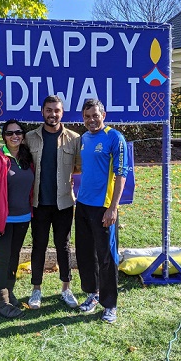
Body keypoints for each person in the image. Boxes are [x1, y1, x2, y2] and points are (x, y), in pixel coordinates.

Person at [75, 99, 128, 324]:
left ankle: (110, 304)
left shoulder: (114, 137)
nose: (91, 120)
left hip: (103, 208)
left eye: (95, 115)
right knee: (86, 254)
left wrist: (113, 208)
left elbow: (122, 173)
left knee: (106, 256)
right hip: (83, 205)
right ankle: (92, 294)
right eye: (87, 116)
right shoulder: (84, 139)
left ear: (103, 114)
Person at [25, 95, 80, 309]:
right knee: (38, 246)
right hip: (38, 203)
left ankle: (66, 289)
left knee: (63, 246)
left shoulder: (74, 138)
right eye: (49, 110)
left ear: (62, 113)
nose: (52, 114)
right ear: (42, 112)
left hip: (64, 203)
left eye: (56, 110)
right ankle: (36, 290)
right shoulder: (30, 138)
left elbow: (78, 167)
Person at [0, 119, 34, 319]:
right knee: (2, 260)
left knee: (13, 258)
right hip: (2, 221)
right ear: (4, 136)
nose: (15, 136)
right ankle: (1, 301)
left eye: (18, 132)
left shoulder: (25, 158)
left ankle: (9, 292)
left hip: (22, 218)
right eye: (10, 133)